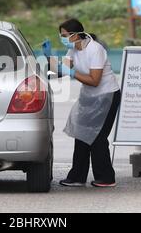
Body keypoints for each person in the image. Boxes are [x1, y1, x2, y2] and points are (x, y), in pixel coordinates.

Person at [53, 19, 121, 188]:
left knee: (97, 137)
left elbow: (94, 80)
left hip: (107, 96)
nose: (62, 38)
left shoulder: (95, 49)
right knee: (82, 135)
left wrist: (72, 73)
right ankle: (77, 177)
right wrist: (48, 59)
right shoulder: (73, 50)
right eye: (60, 36)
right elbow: (61, 71)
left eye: (64, 35)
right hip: (89, 97)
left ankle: (106, 178)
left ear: (76, 35)